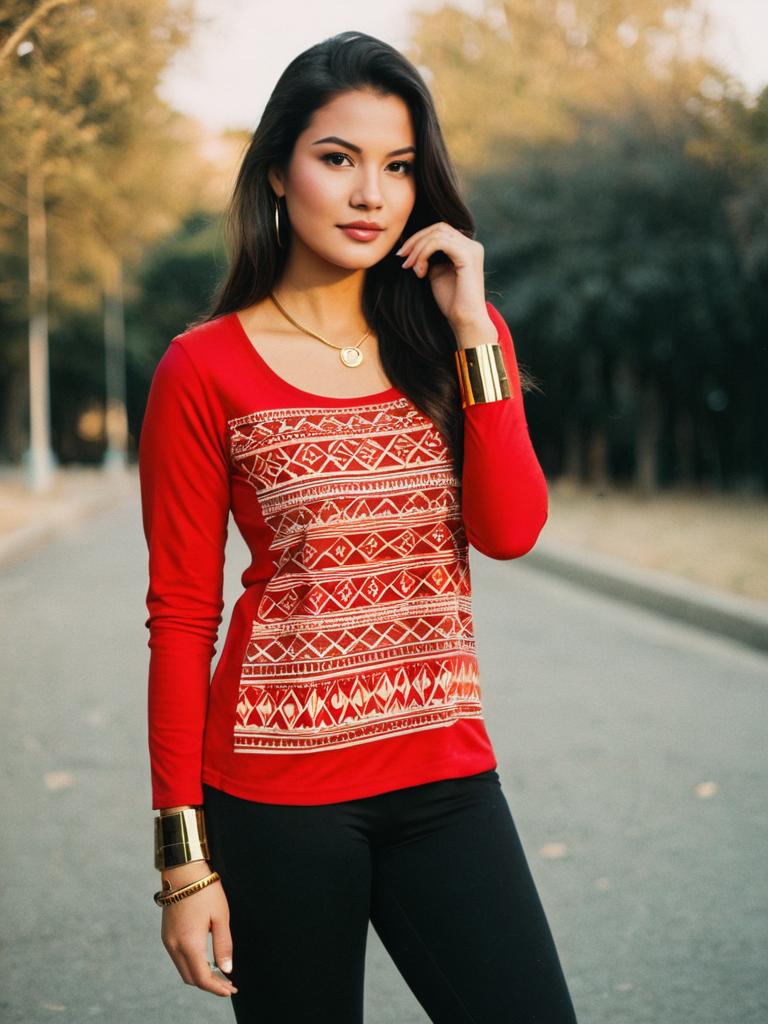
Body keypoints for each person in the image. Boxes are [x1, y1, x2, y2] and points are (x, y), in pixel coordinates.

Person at [139, 29, 578, 1024]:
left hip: (446, 778)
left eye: (398, 166)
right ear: (280, 171)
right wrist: (183, 862)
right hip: (275, 800)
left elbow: (509, 530)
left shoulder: (456, 331)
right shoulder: (202, 367)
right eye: (338, 159)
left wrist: (473, 330)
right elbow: (179, 612)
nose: (371, 194)